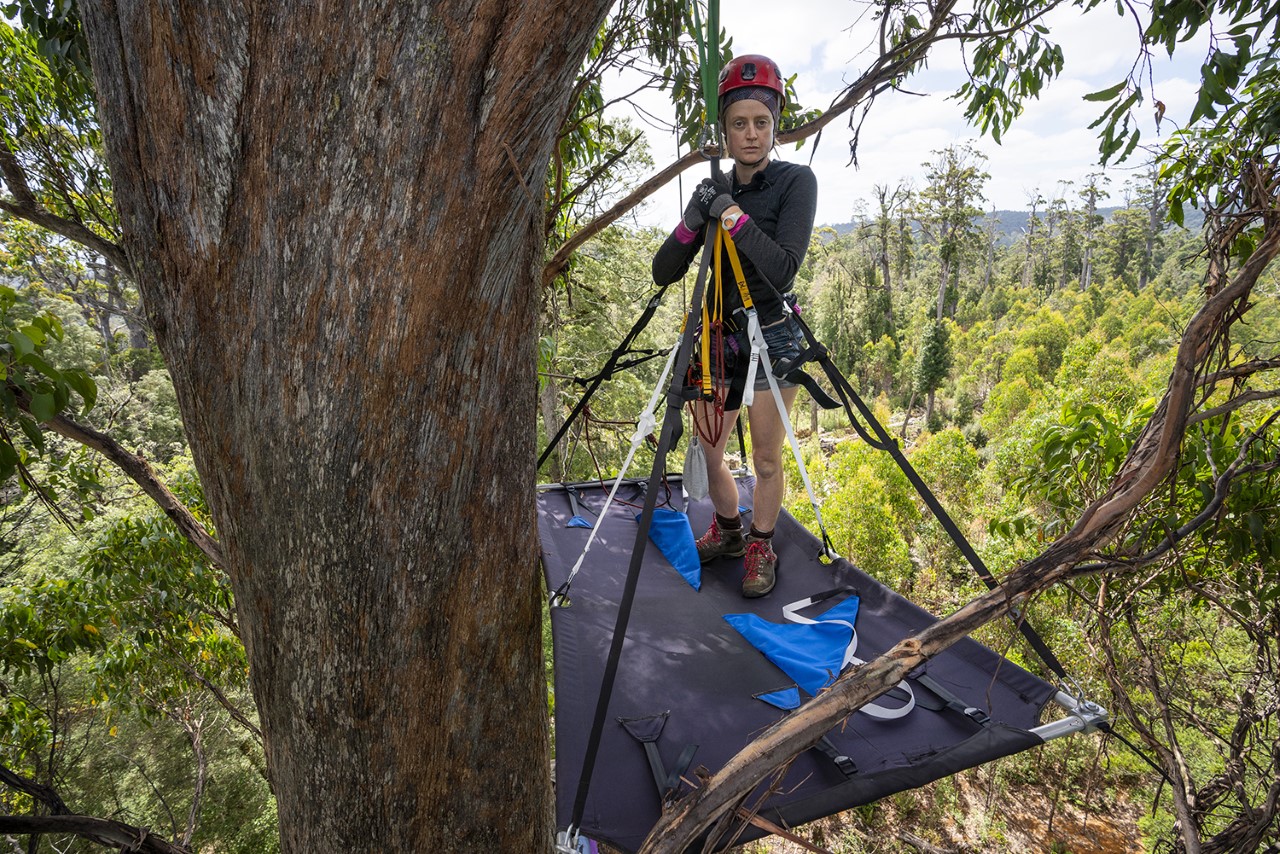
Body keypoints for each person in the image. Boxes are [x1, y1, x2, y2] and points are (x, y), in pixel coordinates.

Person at [652, 54, 818, 598]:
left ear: (775, 125)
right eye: (739, 123)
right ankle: (728, 531)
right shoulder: (716, 187)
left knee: (766, 457)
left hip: (771, 332)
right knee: (708, 451)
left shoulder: (796, 181)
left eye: (761, 123)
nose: (751, 135)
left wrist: (730, 215)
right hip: (720, 335)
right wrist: (693, 219)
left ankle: (760, 543)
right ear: (724, 129)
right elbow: (663, 270)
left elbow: (783, 267)